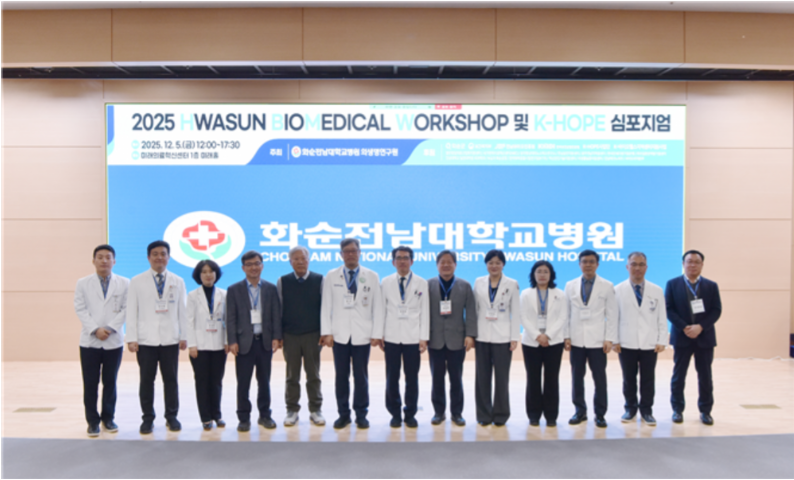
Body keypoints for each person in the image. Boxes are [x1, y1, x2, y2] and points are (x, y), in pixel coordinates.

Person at [320, 238, 384, 430]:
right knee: (341, 377)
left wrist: (377, 333)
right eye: (346, 251)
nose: (350, 254)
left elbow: (378, 307)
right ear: (341, 254)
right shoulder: (332, 275)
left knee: (361, 377)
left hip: (362, 335)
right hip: (339, 335)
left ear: (360, 252)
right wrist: (327, 332)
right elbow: (326, 305)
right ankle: (343, 414)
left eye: (354, 251)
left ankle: (361, 414)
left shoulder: (371, 276)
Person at [126, 240, 188, 435]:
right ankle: (147, 418)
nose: (159, 257)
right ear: (148, 257)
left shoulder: (178, 281)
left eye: (163, 254)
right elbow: (131, 311)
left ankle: (171, 416)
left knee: (171, 380)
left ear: (168, 257)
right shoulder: (136, 281)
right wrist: (131, 337)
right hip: (146, 340)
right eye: (155, 254)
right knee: (146, 381)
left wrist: (184, 335)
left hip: (170, 339)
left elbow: (183, 311)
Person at [74, 245, 129, 437]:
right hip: (90, 342)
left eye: (108, 257)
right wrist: (95, 329)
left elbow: (126, 308)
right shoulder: (83, 283)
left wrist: (110, 328)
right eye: (100, 257)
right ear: (93, 261)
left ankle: (108, 418)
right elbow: (80, 308)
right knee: (90, 383)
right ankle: (92, 421)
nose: (104, 260)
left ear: (114, 261)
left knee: (110, 382)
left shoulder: (125, 283)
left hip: (114, 341)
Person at [227, 251, 282, 433]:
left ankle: (265, 415)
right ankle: (243, 418)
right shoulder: (234, 289)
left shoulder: (270, 288)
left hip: (264, 342)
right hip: (243, 343)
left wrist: (276, 337)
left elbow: (276, 315)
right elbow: (231, 318)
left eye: (257, 263)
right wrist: (232, 340)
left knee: (264, 382)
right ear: (243, 268)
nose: (253, 267)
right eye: (249, 264)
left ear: (262, 266)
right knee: (243, 383)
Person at [666, 250, 722, 426]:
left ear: (702, 265)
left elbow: (716, 310)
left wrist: (700, 327)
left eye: (696, 262)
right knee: (678, 376)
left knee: (705, 376)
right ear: (683, 264)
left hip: (704, 338)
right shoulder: (673, 284)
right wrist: (684, 327)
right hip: (682, 337)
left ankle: (705, 411)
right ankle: (677, 410)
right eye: (689, 261)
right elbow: (668, 309)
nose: (692, 265)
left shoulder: (711, 286)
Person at [377, 246, 430, 429]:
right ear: (393, 262)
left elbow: (425, 311)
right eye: (398, 258)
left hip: (413, 338)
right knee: (392, 377)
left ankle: (410, 413)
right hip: (391, 337)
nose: (402, 261)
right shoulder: (386, 282)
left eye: (406, 258)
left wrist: (424, 337)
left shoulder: (421, 283)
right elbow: (381, 310)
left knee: (412, 378)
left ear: (412, 261)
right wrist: (380, 334)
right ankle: (394, 413)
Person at [564, 250, 617, 429]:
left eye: (592, 262)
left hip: (598, 341)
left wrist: (609, 338)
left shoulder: (607, 285)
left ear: (597, 264)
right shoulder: (570, 285)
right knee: (576, 378)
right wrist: (566, 336)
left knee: (599, 378)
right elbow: (566, 313)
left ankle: (600, 414)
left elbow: (612, 314)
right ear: (579, 264)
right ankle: (580, 411)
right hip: (576, 340)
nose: (588, 265)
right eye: (584, 262)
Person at [613, 252, 668, 427]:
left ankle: (646, 410)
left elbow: (661, 316)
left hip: (649, 342)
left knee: (648, 379)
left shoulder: (656, 290)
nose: (637, 268)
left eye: (641, 264)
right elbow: (613, 318)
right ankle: (630, 409)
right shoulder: (617, 290)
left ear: (646, 267)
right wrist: (614, 340)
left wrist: (662, 340)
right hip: (626, 342)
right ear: (627, 267)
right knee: (628, 378)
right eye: (634, 264)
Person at [427, 250, 477, 427]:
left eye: (450, 262)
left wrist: (470, 335)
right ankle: (438, 412)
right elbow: (423, 313)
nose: (446, 265)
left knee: (456, 379)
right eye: (442, 262)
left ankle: (457, 413)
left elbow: (471, 312)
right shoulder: (428, 285)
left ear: (455, 265)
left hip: (457, 340)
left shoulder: (465, 285)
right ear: (437, 265)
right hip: (435, 340)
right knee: (437, 379)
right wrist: (423, 336)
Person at [277, 246, 325, 427]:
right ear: (290, 262)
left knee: (313, 375)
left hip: (313, 335)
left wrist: (324, 332)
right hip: (290, 336)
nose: (300, 262)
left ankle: (315, 409)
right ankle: (292, 410)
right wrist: (279, 335)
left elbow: (325, 308)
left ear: (309, 260)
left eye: (303, 258)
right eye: (296, 259)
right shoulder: (283, 281)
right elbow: (279, 309)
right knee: (292, 376)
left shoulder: (319, 280)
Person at [473, 249, 521, 427]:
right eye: (490, 263)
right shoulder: (478, 282)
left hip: (503, 337)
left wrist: (514, 337)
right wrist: (472, 334)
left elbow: (516, 312)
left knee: (502, 378)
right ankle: (484, 415)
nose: (494, 266)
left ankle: (501, 415)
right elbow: (474, 310)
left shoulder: (512, 283)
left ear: (503, 264)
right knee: (482, 378)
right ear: (486, 264)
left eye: (498, 263)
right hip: (482, 336)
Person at [520, 260, 568, 428]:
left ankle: (551, 416)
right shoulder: (526, 294)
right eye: (539, 271)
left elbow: (563, 317)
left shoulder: (559, 294)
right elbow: (523, 317)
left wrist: (547, 335)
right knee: (533, 379)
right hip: (531, 343)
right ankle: (533, 415)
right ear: (533, 274)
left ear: (551, 275)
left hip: (554, 342)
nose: (542, 275)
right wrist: (537, 336)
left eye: (545, 272)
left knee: (551, 379)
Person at [186, 260, 229, 431]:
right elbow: (189, 321)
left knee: (217, 381)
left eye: (211, 271)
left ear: (216, 274)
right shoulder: (192, 295)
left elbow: (228, 320)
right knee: (202, 382)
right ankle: (205, 417)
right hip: (199, 346)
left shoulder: (224, 294)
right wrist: (192, 344)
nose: (208, 275)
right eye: (204, 272)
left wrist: (227, 341)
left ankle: (217, 415)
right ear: (199, 275)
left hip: (219, 345)